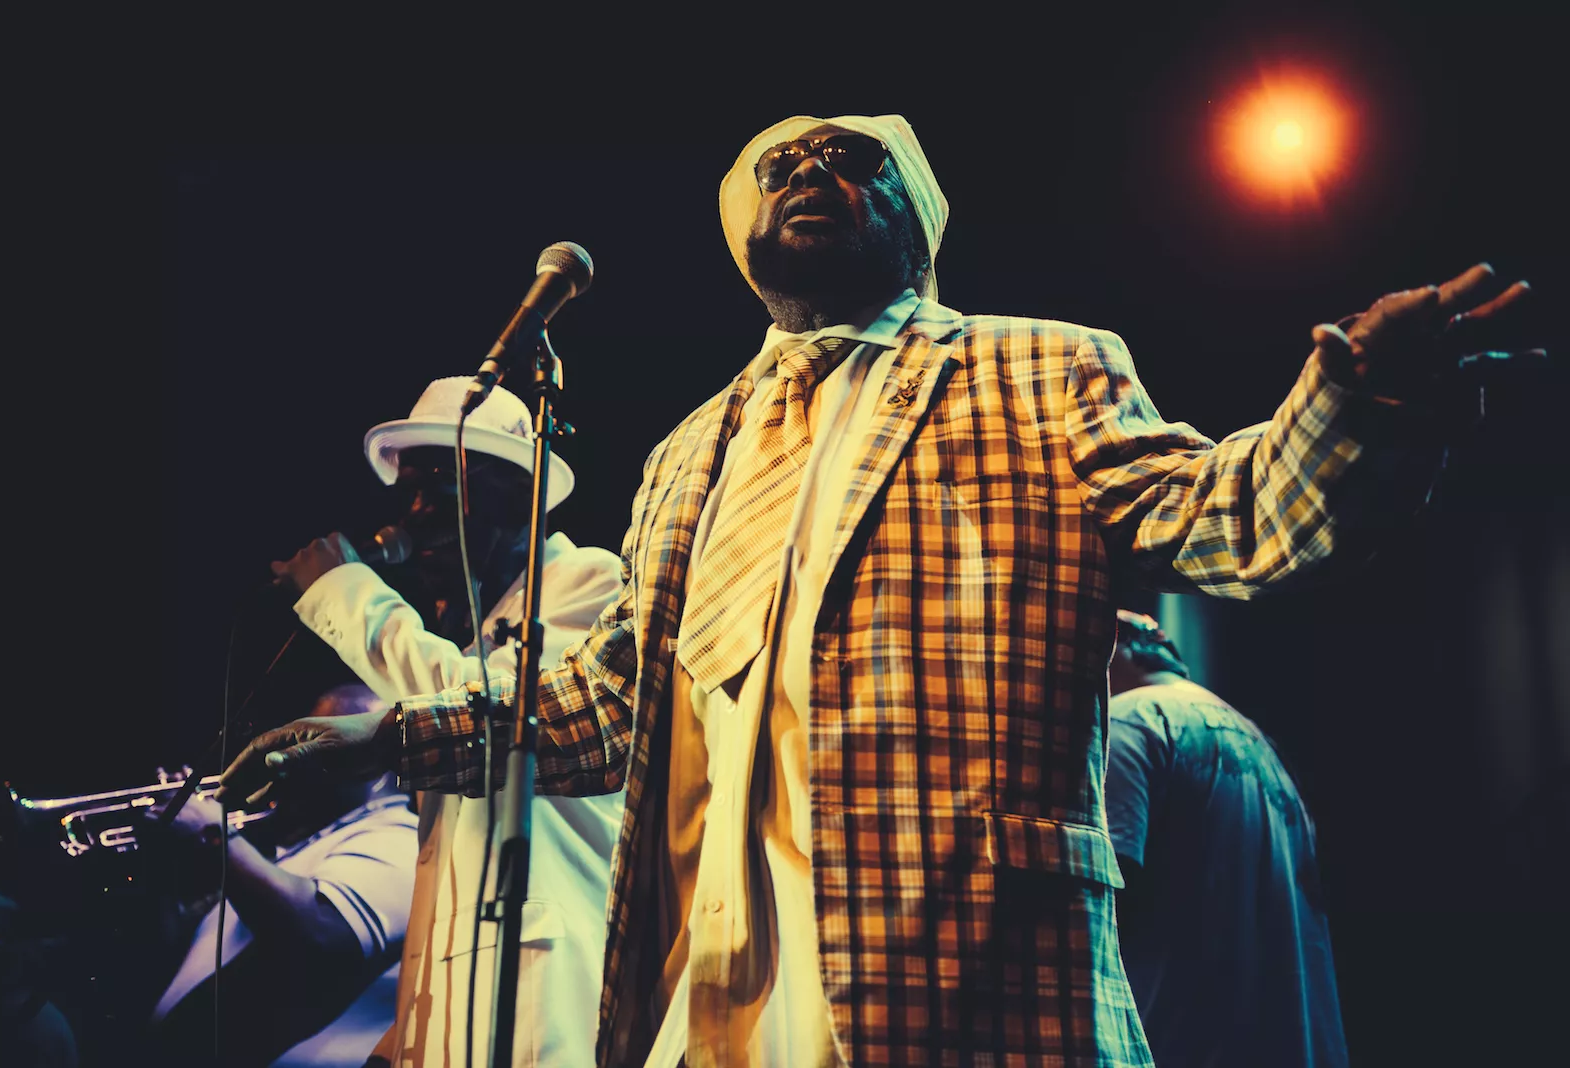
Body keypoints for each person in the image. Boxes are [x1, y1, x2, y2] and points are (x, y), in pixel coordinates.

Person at [218, 114, 1535, 1067]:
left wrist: (1359, 403)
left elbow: (1237, 521)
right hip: (714, 996)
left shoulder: (1038, 371)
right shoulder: (690, 453)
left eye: (853, 160)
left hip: (963, 978)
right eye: (781, 164)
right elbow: (607, 711)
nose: (811, 174)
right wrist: (383, 740)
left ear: (919, 220)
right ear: (740, 236)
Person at [266, 376, 624, 1067]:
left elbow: (490, 714)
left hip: (542, 1003)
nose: (414, 514)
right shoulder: (471, 638)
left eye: (440, 485)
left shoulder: (587, 582)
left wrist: (342, 592)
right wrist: (407, 1038)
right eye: (408, 493)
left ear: (517, 495)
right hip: (457, 1016)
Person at [1106, 608, 1349, 1067]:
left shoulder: (1127, 721)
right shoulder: (1253, 737)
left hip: (1179, 1041)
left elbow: (1108, 895)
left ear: (1120, 649)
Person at [150, 683, 420, 1066]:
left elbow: (321, 935)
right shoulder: (304, 851)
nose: (294, 758)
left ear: (375, 766)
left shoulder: (398, 836)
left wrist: (213, 835)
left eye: (322, 742)